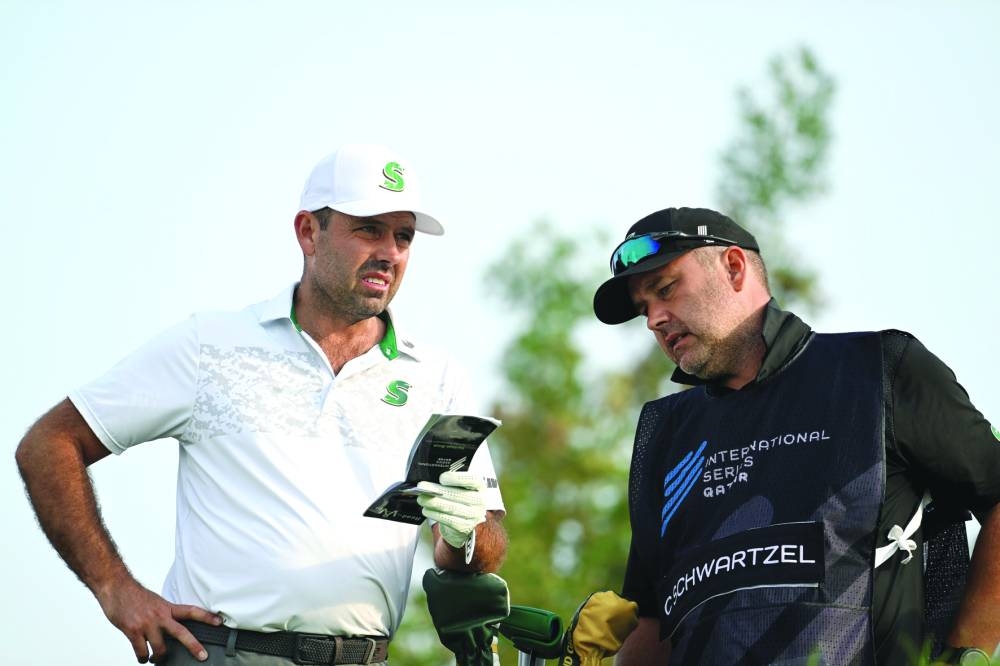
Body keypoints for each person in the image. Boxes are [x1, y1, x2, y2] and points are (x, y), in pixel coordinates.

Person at [15, 143, 508, 665]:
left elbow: (485, 546)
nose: (390, 251)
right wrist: (115, 588)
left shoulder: (437, 377)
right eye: (368, 228)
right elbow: (50, 443)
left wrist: (466, 533)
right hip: (224, 653)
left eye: (402, 236)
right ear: (307, 232)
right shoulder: (213, 344)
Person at [589, 206, 1000, 665]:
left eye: (666, 289)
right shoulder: (665, 433)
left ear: (734, 267)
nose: (653, 320)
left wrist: (971, 655)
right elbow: (651, 619)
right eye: (644, 308)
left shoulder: (879, 370)